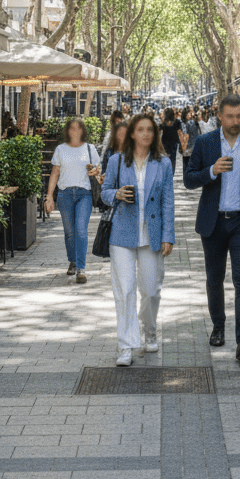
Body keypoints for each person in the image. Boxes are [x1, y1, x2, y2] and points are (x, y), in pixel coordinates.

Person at [184, 94, 240, 362]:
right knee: (214, 279)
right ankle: (218, 326)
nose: (235, 121)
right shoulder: (205, 142)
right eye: (230, 117)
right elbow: (189, 180)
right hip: (213, 222)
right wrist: (211, 170)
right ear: (220, 116)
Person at [101, 114, 176, 366]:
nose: (145, 134)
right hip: (122, 234)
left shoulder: (163, 163)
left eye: (150, 130)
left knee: (151, 289)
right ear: (132, 133)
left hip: (151, 234)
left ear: (155, 134)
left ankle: (150, 330)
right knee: (125, 289)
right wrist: (116, 193)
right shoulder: (117, 161)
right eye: (140, 129)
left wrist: (168, 236)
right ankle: (126, 345)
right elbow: (103, 193)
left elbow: (168, 201)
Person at [46, 119, 102, 284]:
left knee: (80, 230)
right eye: (72, 128)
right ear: (67, 131)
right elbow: (55, 173)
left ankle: (81, 269)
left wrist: (95, 170)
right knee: (69, 233)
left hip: (84, 194)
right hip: (65, 194)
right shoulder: (61, 149)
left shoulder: (90, 149)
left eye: (78, 128)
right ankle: (73, 260)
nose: (75, 131)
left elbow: (98, 171)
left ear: (83, 130)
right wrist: (49, 196)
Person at [181, 108, 200, 175]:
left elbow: (184, 135)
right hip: (194, 147)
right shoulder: (195, 122)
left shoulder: (187, 123)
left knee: (186, 166)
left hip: (187, 147)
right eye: (190, 113)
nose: (191, 114)